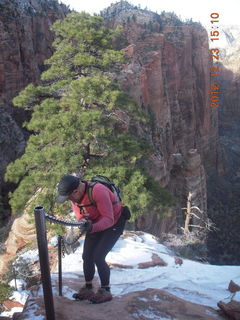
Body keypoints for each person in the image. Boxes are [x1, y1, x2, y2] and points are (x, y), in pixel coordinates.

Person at [56, 174, 126, 304]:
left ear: (76, 191)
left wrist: (91, 227)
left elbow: (108, 219)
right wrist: (84, 221)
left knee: (98, 256)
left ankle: (106, 290)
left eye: (69, 197)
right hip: (94, 223)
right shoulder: (75, 196)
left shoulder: (98, 191)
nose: (69, 200)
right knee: (87, 256)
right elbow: (79, 214)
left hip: (114, 223)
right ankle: (88, 288)